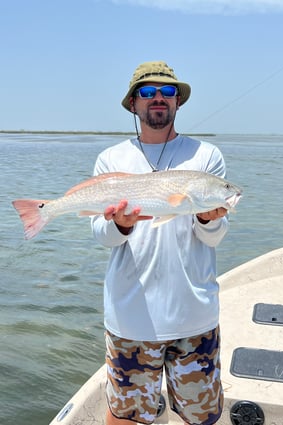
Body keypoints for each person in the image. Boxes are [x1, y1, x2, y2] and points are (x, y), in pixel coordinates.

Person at [91, 61, 229, 425]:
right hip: (131, 318)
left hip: (195, 316)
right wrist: (119, 226)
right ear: (133, 103)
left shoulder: (206, 157)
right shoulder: (111, 159)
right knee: (127, 417)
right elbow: (101, 236)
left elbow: (215, 236)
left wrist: (205, 217)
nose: (158, 98)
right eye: (147, 92)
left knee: (202, 417)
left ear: (178, 102)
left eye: (167, 92)